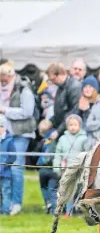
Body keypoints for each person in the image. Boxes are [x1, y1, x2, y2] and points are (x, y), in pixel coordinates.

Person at [0, 60, 36, 215]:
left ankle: (16, 203)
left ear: (11, 75)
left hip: (21, 133)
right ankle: (5, 203)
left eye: (4, 77)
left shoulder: (23, 88)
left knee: (16, 168)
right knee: (4, 167)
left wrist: (6, 111)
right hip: (5, 132)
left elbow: (27, 112)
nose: (2, 80)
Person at [53, 114, 87, 215]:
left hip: (80, 169)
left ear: (80, 126)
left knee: (80, 191)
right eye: (71, 125)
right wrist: (56, 167)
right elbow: (57, 154)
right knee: (68, 191)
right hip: (66, 169)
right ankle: (68, 212)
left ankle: (81, 211)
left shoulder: (84, 138)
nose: (73, 127)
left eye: (75, 124)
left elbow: (87, 153)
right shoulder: (62, 138)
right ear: (67, 126)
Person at [47, 62, 81, 141]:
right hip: (61, 129)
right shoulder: (60, 87)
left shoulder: (74, 86)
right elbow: (59, 112)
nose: (52, 82)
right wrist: (50, 122)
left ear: (59, 75)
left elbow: (74, 112)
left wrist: (58, 131)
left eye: (53, 79)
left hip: (70, 132)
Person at [36, 119, 58, 214]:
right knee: (52, 189)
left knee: (44, 187)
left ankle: (49, 204)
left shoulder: (45, 140)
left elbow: (38, 150)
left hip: (44, 168)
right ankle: (53, 207)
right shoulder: (55, 137)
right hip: (53, 168)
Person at [0, 115, 16, 215]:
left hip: (5, 173)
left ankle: (5, 210)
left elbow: (13, 157)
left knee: (6, 191)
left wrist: (5, 164)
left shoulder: (9, 140)